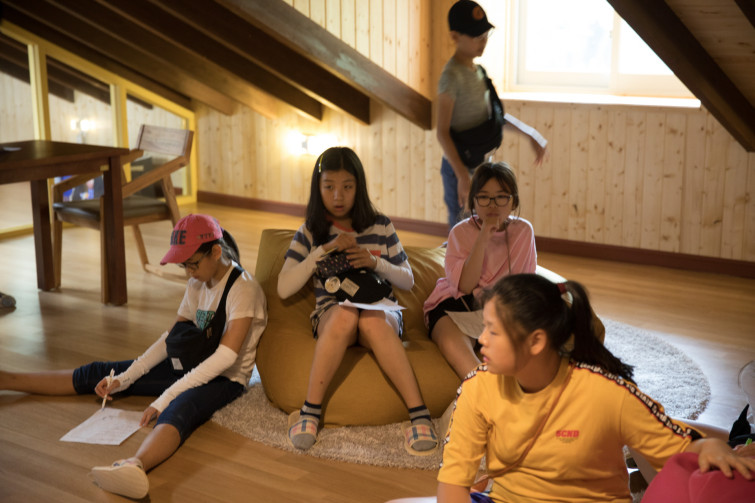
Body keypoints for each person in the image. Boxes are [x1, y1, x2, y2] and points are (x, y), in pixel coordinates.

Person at [0, 214, 267, 499]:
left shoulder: (243, 289)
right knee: (103, 372)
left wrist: (164, 398)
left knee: (180, 406)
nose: (189, 272)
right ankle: (7, 379)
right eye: (184, 265)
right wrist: (126, 378)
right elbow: (172, 338)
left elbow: (225, 357)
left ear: (215, 251)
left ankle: (134, 465)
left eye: (193, 264)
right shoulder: (197, 281)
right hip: (192, 361)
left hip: (224, 378)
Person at [437, 273, 755, 503]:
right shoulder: (477, 387)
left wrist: (708, 446)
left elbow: (679, 446)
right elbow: (453, 483)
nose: (481, 340)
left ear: (536, 341)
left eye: (493, 331)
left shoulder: (607, 393)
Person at [277, 146, 438, 453]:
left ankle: (419, 414)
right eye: (329, 187)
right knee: (345, 315)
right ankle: (310, 411)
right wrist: (323, 251)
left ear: (359, 187)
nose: (338, 196)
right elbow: (284, 287)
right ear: (318, 188)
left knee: (372, 320)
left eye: (347, 187)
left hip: (380, 311)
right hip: (333, 314)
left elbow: (407, 279)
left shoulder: (380, 225)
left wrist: (374, 262)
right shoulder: (310, 231)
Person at [437, 0, 548, 229]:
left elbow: (495, 120)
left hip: (481, 166)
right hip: (460, 168)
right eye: (476, 36)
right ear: (455, 36)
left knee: (484, 228)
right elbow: (442, 132)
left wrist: (529, 134)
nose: (483, 41)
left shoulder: (479, 72)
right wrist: (462, 176)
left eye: (485, 34)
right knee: (462, 231)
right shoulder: (451, 77)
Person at [424, 162, 535, 379]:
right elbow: (466, 286)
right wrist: (483, 237)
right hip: (458, 301)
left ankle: (497, 388)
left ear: (513, 201)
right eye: (483, 197)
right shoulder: (460, 232)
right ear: (473, 201)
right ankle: (483, 388)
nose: (492, 204)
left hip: (500, 305)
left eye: (501, 197)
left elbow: (523, 286)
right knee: (452, 343)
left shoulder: (523, 231)